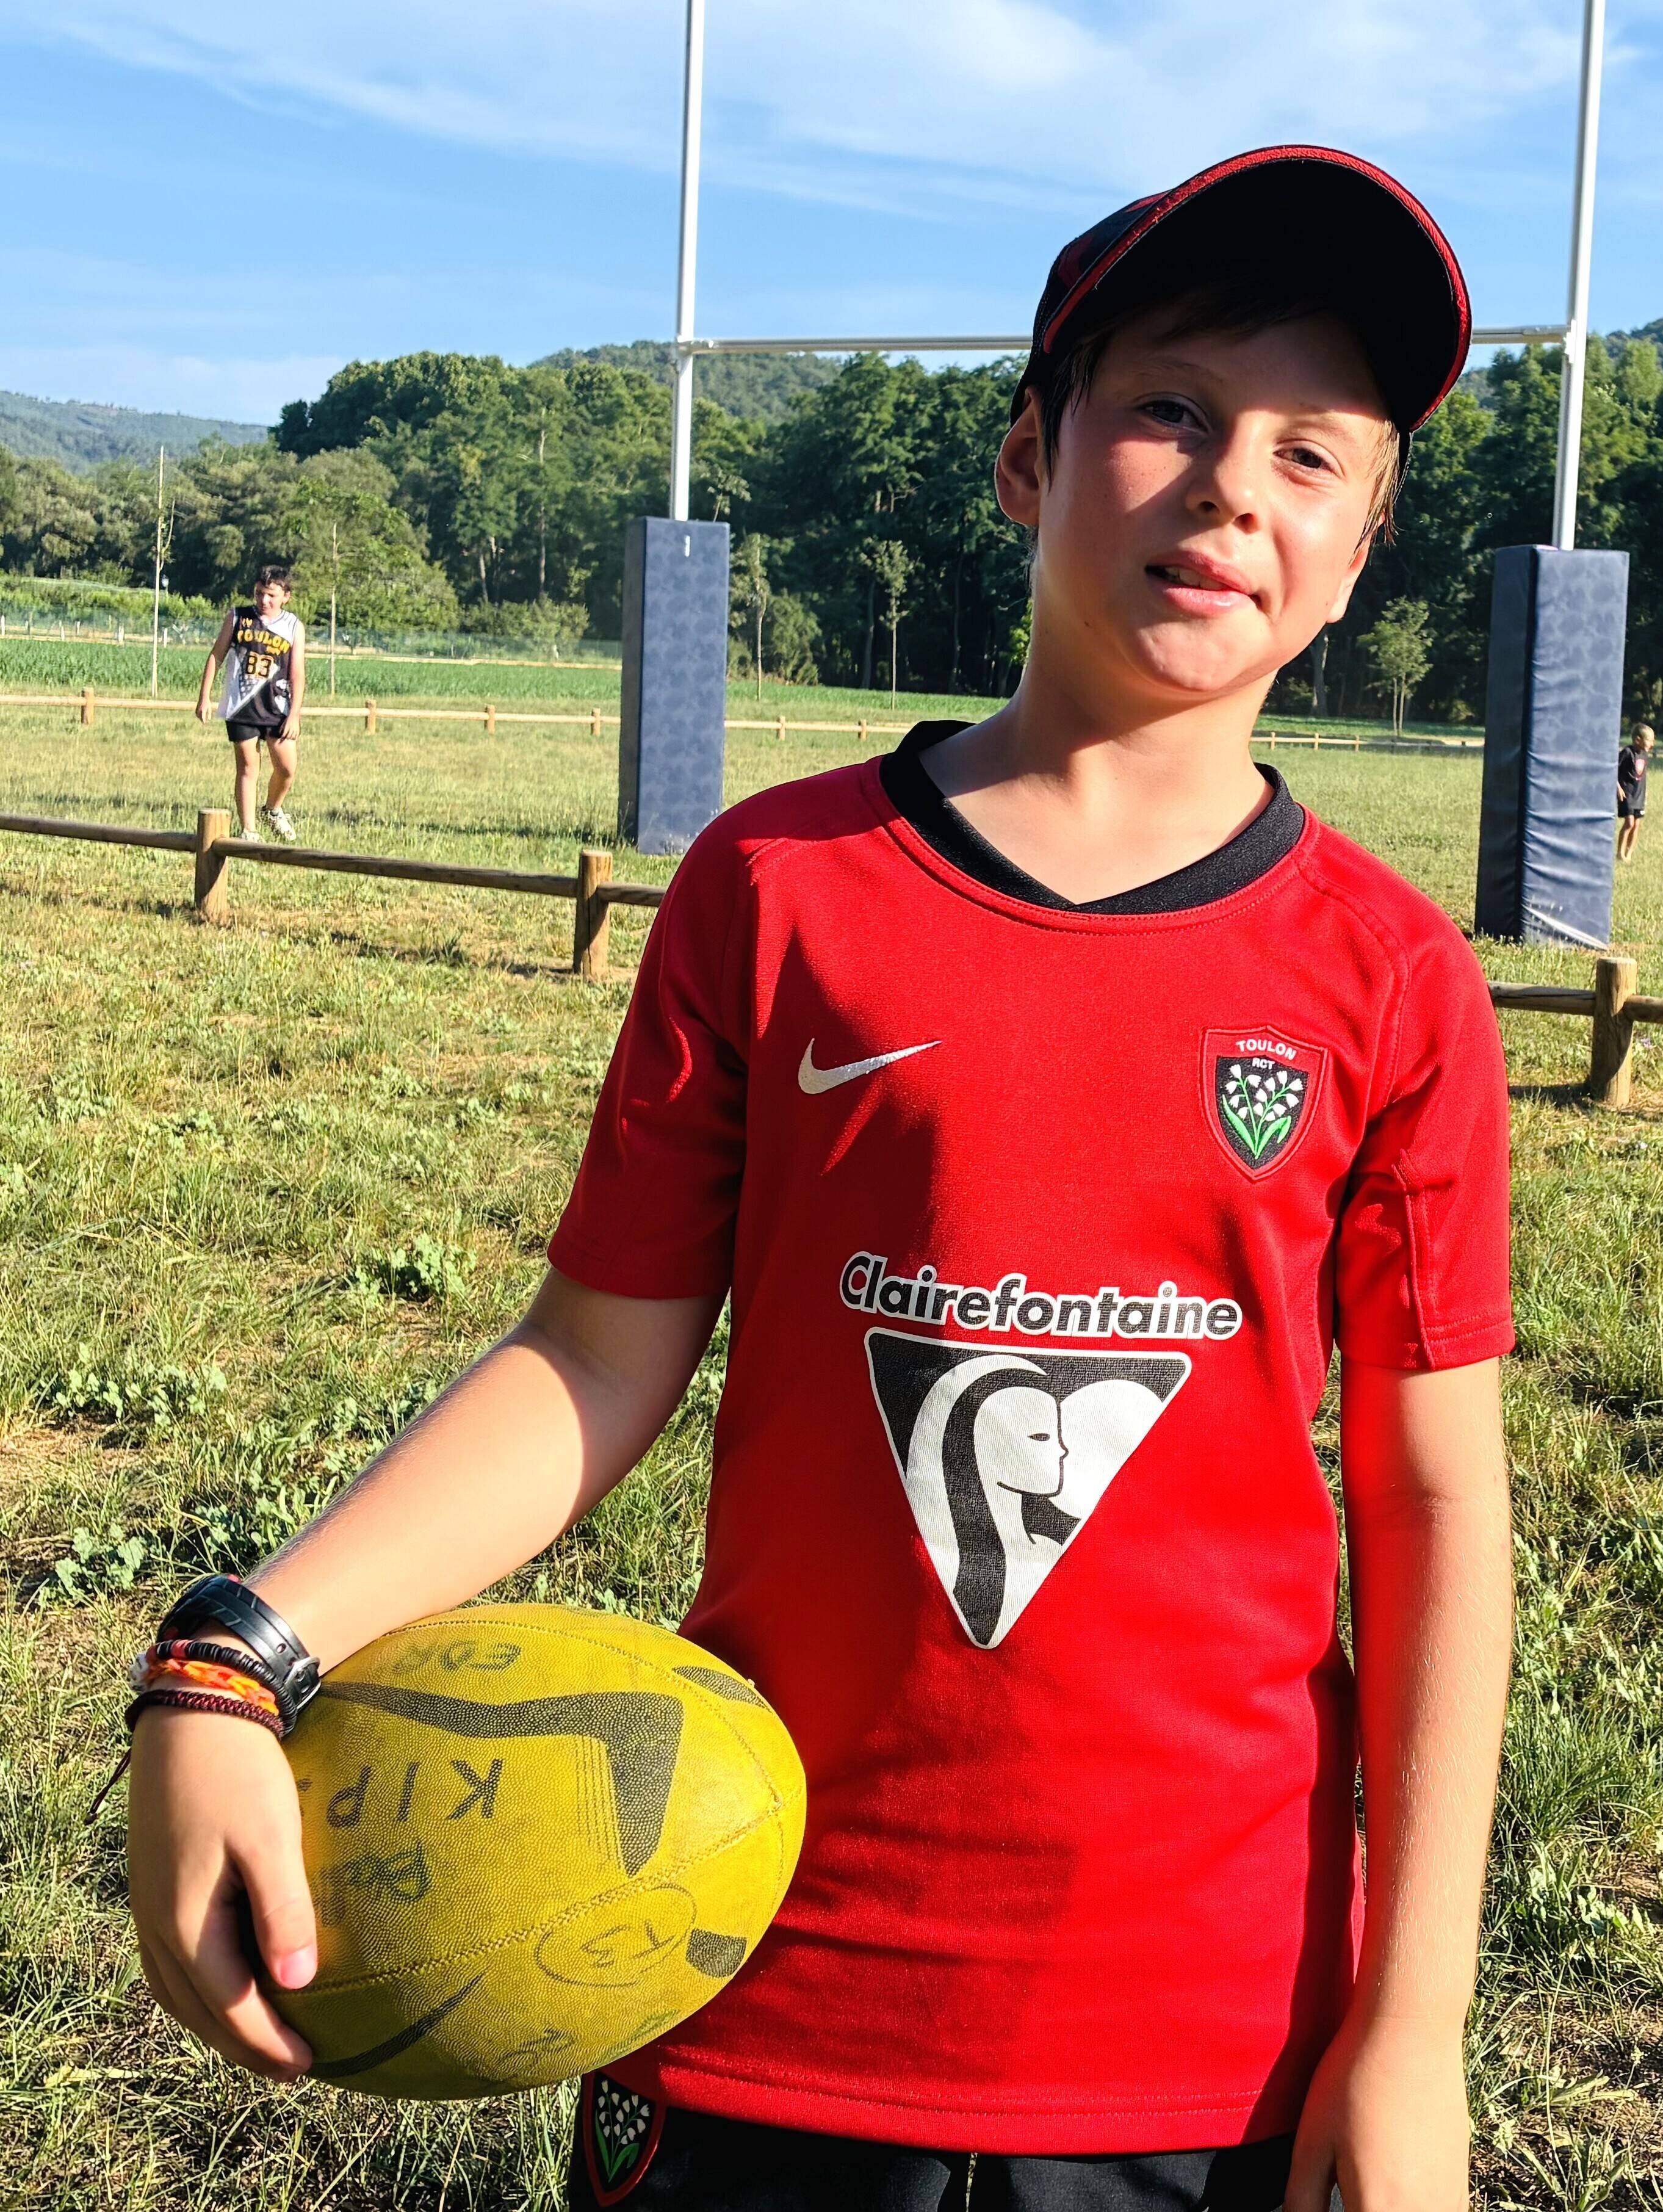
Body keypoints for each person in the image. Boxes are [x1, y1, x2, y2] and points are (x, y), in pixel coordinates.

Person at [125, 147, 1514, 2212]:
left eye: (1314, 455)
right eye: (1171, 407)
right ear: (1027, 458)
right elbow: (590, 1359)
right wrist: (238, 1652)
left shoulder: (1391, 978)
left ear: (1360, 554)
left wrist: (1412, 2029)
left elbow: (1432, 1503)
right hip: (747, 1974)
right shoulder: (776, 890)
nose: (1237, 487)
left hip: (1210, 2036)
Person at [196, 563, 305, 842]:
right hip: (242, 706)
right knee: (247, 766)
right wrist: (205, 697)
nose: (263, 600)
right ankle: (249, 830)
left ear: (286, 596)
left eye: (271, 595)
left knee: (287, 768)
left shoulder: (293, 626)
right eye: (259, 593)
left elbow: (297, 673)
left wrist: (294, 714)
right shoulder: (238, 617)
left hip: (277, 707)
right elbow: (216, 656)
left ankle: (273, 810)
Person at [1616, 723, 1655, 860]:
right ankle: (1620, 853)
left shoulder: (1644, 755)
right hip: (1627, 794)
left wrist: (1646, 792)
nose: (1652, 744)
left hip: (1639, 795)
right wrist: (1618, 787)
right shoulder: (1627, 753)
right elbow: (1613, 769)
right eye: (1649, 740)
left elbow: (1642, 775)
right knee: (1629, 823)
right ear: (1638, 740)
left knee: (1637, 825)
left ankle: (1629, 854)